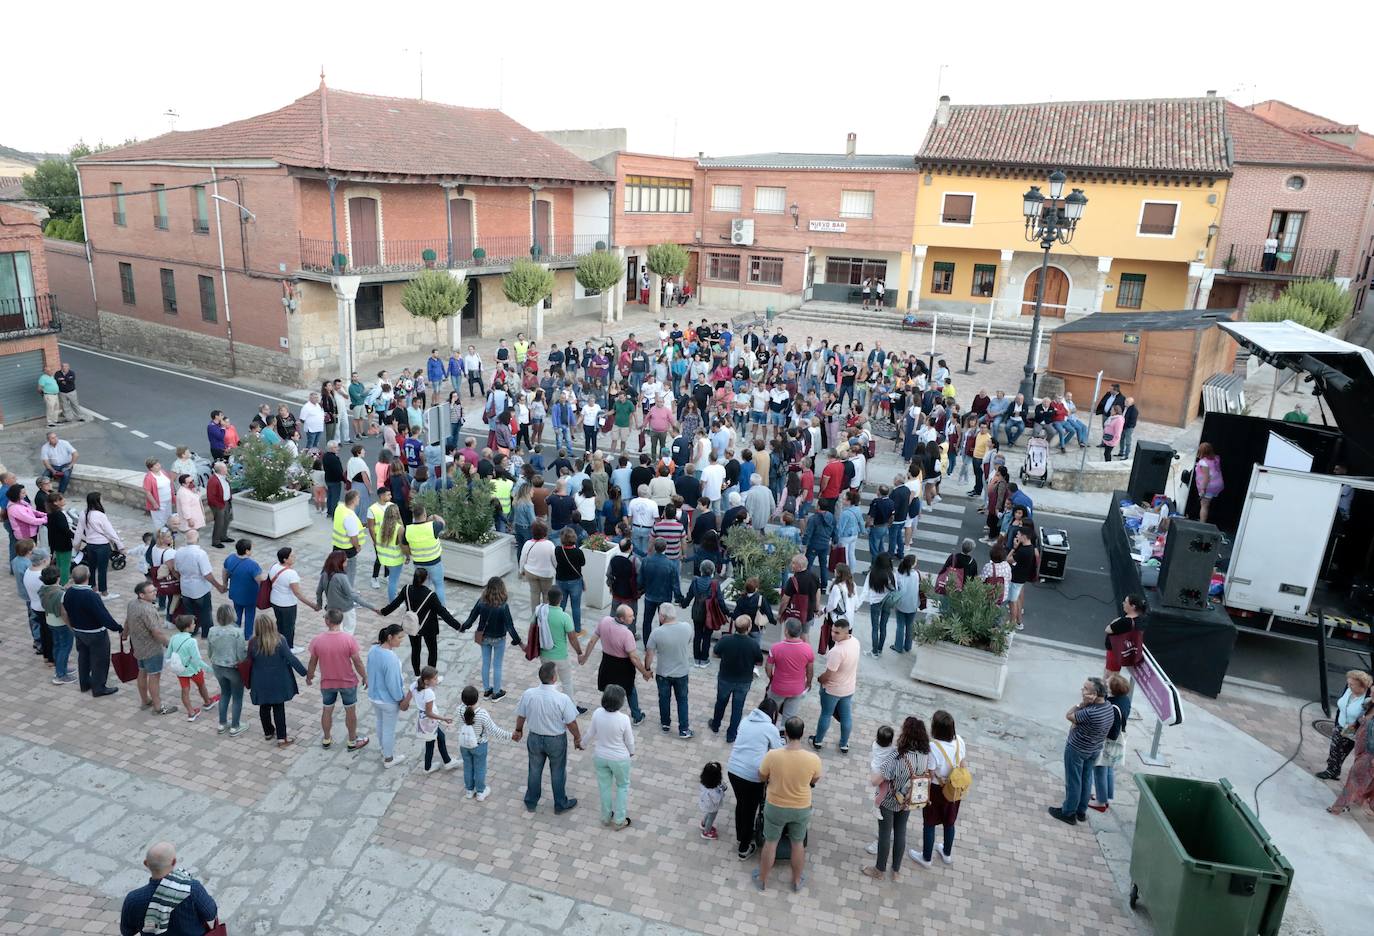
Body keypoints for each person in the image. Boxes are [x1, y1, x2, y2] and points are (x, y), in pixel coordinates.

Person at [753, 716, 823, 893]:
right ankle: (797, 880)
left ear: (785, 734)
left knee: (771, 843)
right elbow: (815, 779)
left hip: (776, 806)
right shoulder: (813, 759)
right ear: (802, 734)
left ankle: (762, 879)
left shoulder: (773, 755)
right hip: (801, 808)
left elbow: (762, 776)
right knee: (797, 843)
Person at [863, 716, 930, 881]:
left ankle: (879, 870)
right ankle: (896, 871)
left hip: (889, 801)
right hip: (908, 801)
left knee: (885, 834)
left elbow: (876, 781)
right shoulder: (925, 755)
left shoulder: (896, 757)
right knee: (901, 833)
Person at [513, 660, 584, 814]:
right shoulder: (562, 699)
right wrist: (577, 737)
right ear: (554, 678)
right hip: (556, 740)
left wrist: (518, 730)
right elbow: (571, 722)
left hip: (535, 738)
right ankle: (560, 803)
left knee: (534, 770)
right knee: (558, 771)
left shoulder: (529, 694)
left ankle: (531, 801)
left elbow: (521, 716)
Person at [1048, 676, 1116, 824]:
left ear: (1095, 694)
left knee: (1073, 781)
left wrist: (1081, 704)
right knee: (1086, 780)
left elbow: (1069, 716)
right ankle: (1081, 811)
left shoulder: (1090, 712)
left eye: (1085, 689)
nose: (1082, 690)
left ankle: (1068, 813)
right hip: (1094, 749)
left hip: (1077, 749)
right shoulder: (1108, 707)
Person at [118, 841, 218, 936]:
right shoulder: (191, 889)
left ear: (146, 863)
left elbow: (127, 932)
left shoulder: (133, 899)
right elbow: (211, 914)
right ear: (174, 861)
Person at [305, 608, 370, 751]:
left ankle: (327, 738)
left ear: (327, 621)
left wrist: (310, 676)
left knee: (327, 710)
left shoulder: (318, 640)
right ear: (340, 621)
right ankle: (352, 741)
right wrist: (365, 676)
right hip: (347, 682)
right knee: (350, 711)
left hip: (327, 683)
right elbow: (357, 661)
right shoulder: (348, 639)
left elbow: (312, 662)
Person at [578, 607, 650, 726]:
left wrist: (585, 657)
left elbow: (592, 641)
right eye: (630, 616)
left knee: (608, 689)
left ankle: (606, 714)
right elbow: (634, 658)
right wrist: (644, 672)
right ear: (622, 618)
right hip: (623, 666)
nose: (633, 618)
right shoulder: (627, 634)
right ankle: (637, 716)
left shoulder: (604, 621)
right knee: (630, 689)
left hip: (607, 662)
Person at [913, 709, 967, 866]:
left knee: (929, 823)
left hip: (937, 790)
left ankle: (926, 858)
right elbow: (963, 764)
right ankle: (947, 853)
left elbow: (929, 775)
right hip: (954, 788)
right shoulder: (960, 741)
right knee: (950, 821)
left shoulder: (933, 747)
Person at [248, 613, 308, 748]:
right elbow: (291, 659)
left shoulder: (253, 642)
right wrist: (305, 673)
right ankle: (282, 738)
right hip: (278, 681)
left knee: (264, 707)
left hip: (260, 681)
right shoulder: (280, 640)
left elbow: (249, 661)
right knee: (278, 708)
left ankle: (268, 732)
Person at [64, 565, 122, 696]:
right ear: (88, 577)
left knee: (83, 658)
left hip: (78, 630)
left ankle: (84, 684)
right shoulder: (91, 596)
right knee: (99, 660)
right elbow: (103, 616)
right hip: (95, 633)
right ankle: (99, 688)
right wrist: (117, 627)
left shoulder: (68, 592)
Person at [584, 683, 636, 829]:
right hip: (619, 758)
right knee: (622, 786)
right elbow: (629, 741)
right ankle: (619, 820)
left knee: (604, 787)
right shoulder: (624, 719)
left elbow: (590, 733)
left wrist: (582, 744)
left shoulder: (597, 713)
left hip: (600, 756)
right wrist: (631, 751)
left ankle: (606, 816)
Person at [462, 576, 522, 702]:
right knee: (497, 665)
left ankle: (486, 690)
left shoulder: (481, 602)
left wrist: (463, 627)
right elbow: (510, 627)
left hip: (484, 638)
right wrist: (519, 642)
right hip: (499, 639)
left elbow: (471, 618)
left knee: (485, 663)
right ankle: (496, 693)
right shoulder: (503, 606)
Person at [710, 615, 765, 742]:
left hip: (725, 678)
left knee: (720, 703)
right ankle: (731, 735)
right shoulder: (753, 644)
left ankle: (715, 725)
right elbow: (759, 662)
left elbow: (715, 653)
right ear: (749, 627)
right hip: (743, 680)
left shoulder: (726, 639)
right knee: (737, 708)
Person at [367, 623, 413, 768]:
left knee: (380, 723)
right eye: (399, 638)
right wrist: (401, 699)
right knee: (389, 729)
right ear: (390, 637)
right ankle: (388, 758)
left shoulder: (373, 649)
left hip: (374, 696)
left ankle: (383, 749)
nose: (401, 640)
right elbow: (393, 684)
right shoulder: (391, 659)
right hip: (388, 700)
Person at [810, 617, 859, 752]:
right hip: (848, 688)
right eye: (832, 631)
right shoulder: (855, 642)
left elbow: (828, 675)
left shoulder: (836, 652)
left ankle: (818, 741)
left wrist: (819, 679)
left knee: (826, 714)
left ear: (846, 632)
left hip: (832, 690)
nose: (832, 634)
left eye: (837, 633)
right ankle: (844, 744)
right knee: (846, 717)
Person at [645, 606, 694, 738]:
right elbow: (688, 641)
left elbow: (649, 654)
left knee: (664, 698)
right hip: (682, 672)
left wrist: (647, 669)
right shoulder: (687, 627)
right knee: (682, 700)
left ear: (662, 616)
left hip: (663, 673)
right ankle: (684, 729)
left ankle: (665, 723)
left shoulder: (656, 633)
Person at [126, 581, 174, 712]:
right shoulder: (148, 610)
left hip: (138, 646)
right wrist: (168, 644)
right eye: (151, 591)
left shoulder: (132, 604)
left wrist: (124, 634)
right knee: (154, 676)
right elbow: (156, 632)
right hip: (152, 649)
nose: (155, 592)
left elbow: (127, 620)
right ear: (141, 595)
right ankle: (158, 707)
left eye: (154, 590)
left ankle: (145, 700)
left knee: (142, 672)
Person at [1317, 670, 1373, 781]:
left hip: (1353, 728)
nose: (1348, 686)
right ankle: (1331, 770)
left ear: (1361, 686)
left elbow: (1368, 716)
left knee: (1343, 750)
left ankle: (1334, 770)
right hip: (1341, 724)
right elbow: (1341, 707)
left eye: (1352, 684)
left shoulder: (1368, 698)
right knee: (1335, 747)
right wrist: (1337, 723)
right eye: (1348, 683)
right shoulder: (1348, 689)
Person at [1089, 673, 1132, 812]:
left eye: (1107, 684)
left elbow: (1112, 732)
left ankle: (1101, 802)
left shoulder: (1113, 707)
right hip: (1116, 744)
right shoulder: (1124, 700)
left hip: (1107, 744)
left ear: (1112, 690)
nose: (1104, 683)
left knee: (1100, 770)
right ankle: (1106, 796)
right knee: (1108, 769)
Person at [1327, 698, 1374, 817]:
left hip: (1370, 754)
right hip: (1361, 749)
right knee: (1367, 779)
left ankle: (1338, 807)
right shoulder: (1369, 703)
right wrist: (1346, 734)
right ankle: (1362, 801)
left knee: (1354, 776)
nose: (1372, 692)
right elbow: (1357, 723)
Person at [267, 546, 319, 652]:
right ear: (285, 559)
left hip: (275, 601)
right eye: (291, 556)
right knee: (289, 627)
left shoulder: (274, 567)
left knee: (280, 624)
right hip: (287, 605)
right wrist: (312, 605)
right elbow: (298, 593)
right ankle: (289, 648)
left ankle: (279, 644)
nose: (294, 557)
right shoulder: (291, 574)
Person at [73, 491, 123, 599]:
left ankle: (92, 588)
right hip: (102, 545)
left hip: (90, 545)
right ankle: (104, 592)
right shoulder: (100, 515)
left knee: (91, 568)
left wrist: (76, 544)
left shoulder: (84, 513)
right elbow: (110, 531)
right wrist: (120, 545)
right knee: (102, 570)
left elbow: (79, 531)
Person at [316, 548, 377, 637]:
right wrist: (372, 607)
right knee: (348, 632)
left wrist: (319, 604)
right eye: (345, 561)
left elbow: (318, 591)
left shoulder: (324, 574)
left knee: (336, 632)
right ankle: (344, 647)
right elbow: (353, 595)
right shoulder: (341, 577)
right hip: (346, 609)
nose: (346, 562)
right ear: (339, 562)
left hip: (332, 609)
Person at [167, 613, 217, 721]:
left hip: (180, 670)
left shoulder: (173, 638)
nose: (195, 625)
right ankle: (207, 702)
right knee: (201, 685)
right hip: (194, 670)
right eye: (193, 624)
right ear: (188, 626)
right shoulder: (191, 641)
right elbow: (197, 661)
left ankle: (191, 712)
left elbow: (168, 655)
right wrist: (210, 669)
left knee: (185, 690)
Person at [207, 604, 247, 735]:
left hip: (217, 666)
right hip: (233, 668)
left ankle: (222, 724)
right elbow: (241, 654)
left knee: (224, 693)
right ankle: (235, 726)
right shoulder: (237, 632)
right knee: (237, 697)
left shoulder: (212, 630)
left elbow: (209, 651)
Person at [222, 538, 264, 636]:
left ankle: (235, 634)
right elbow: (260, 580)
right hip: (249, 596)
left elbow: (224, 571)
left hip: (235, 593)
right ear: (247, 551)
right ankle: (247, 636)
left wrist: (224, 584)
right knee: (249, 616)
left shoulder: (230, 558)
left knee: (236, 614)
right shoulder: (253, 565)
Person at [1104, 594, 1147, 674]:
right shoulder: (1139, 620)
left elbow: (1108, 629)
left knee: (1110, 675)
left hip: (1115, 652)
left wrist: (1116, 620)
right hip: (1122, 651)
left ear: (1133, 606)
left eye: (1126, 602)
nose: (1123, 603)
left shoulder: (1125, 621)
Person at [1007, 525, 1037, 632]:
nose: (1017, 536)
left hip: (1016, 578)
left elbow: (1008, 559)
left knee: (1012, 601)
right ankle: (1019, 622)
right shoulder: (1031, 548)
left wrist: (1014, 548)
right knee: (1017, 600)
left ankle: (1012, 623)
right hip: (1022, 577)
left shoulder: (1023, 550)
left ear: (1024, 536)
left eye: (1018, 534)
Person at [1192, 442, 1224, 524]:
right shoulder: (1216, 459)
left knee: (1204, 506)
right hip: (1218, 485)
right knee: (1207, 504)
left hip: (1209, 487)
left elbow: (1206, 477)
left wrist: (1203, 489)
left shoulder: (1203, 462)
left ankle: (1202, 523)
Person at [206, 461, 234, 548]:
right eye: (225, 468)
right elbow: (211, 496)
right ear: (221, 470)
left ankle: (223, 536)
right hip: (218, 504)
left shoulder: (224, 477)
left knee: (226, 520)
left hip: (226, 502)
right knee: (219, 522)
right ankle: (216, 541)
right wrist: (219, 505)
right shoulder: (213, 481)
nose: (227, 469)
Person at [699, 760, 729, 841]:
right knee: (711, 818)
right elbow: (717, 799)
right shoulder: (714, 791)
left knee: (708, 814)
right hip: (713, 806)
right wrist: (722, 791)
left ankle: (704, 823)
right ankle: (706, 832)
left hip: (705, 804)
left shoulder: (703, 783)